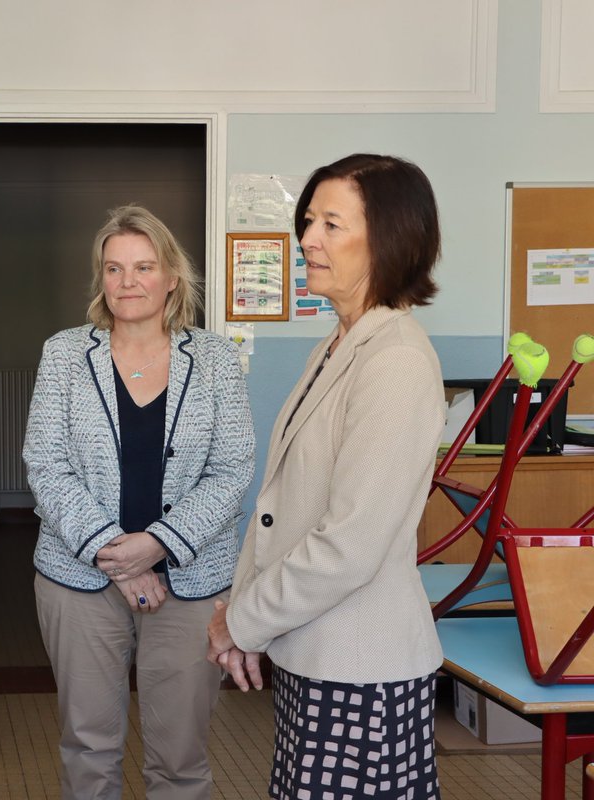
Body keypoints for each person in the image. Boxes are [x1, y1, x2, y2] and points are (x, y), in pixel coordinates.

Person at [207, 153, 446, 800]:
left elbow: (350, 542)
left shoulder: (395, 361)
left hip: (361, 673)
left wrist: (243, 621)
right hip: (318, 655)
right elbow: (285, 504)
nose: (308, 239)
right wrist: (246, 609)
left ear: (391, 238)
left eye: (331, 224)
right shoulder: (338, 345)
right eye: (308, 221)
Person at [23, 205, 256, 800]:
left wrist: (156, 547)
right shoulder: (65, 354)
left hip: (190, 582)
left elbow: (231, 471)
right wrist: (116, 555)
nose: (128, 282)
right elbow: (46, 465)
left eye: (144, 267)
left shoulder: (217, 360)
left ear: (172, 278)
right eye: (114, 268)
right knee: (88, 748)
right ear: (100, 278)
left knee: (180, 757)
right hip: (79, 581)